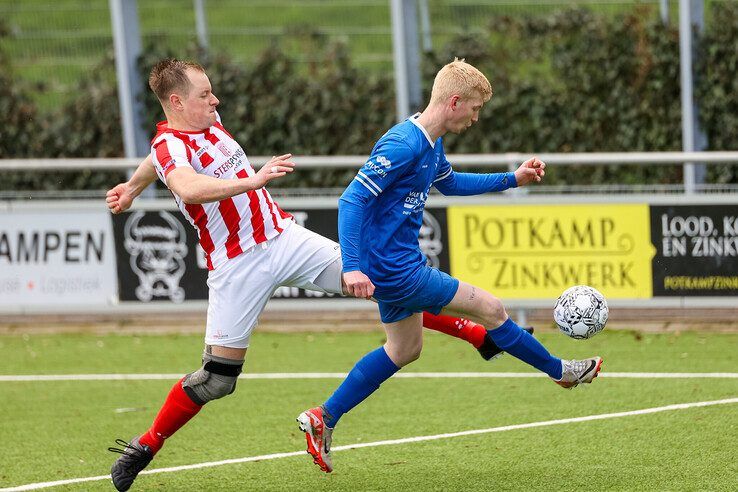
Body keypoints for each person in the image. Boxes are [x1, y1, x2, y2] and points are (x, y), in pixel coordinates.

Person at [105, 58, 527, 491]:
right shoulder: (170, 147)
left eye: (212, 92)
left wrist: (134, 187)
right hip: (236, 264)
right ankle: (145, 446)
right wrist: (255, 181)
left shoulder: (206, 123)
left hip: (283, 237)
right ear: (176, 102)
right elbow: (185, 184)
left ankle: (477, 335)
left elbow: (153, 164)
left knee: (373, 277)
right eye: (204, 95)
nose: (216, 100)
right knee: (217, 381)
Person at [297, 59, 603, 473]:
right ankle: (560, 370)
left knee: (405, 349)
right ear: (454, 101)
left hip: (392, 267)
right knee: (491, 309)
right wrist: (352, 266)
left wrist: (512, 180)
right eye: (475, 109)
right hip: (395, 270)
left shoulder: (430, 142)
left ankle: (324, 417)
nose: (476, 118)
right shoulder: (403, 144)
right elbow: (352, 200)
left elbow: (452, 183)